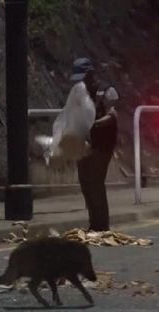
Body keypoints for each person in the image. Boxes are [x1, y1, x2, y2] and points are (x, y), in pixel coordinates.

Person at [71, 58, 118, 232]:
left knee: (96, 182)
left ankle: (102, 226)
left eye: (83, 77)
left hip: (103, 145)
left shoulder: (106, 90)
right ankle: (94, 223)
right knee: (85, 182)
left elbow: (113, 115)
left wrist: (95, 123)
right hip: (85, 144)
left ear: (91, 74)